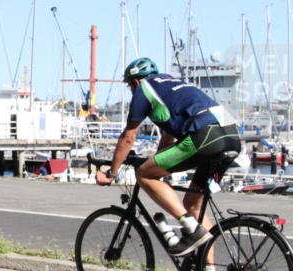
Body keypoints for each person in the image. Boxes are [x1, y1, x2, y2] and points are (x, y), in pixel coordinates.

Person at [96, 58, 241, 257]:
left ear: (135, 81)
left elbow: (128, 137)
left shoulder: (144, 89)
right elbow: (168, 136)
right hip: (231, 137)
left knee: (143, 175)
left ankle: (191, 229)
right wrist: (159, 167)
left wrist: (111, 173)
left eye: (129, 86)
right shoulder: (172, 85)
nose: (131, 90)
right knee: (193, 204)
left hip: (205, 137)